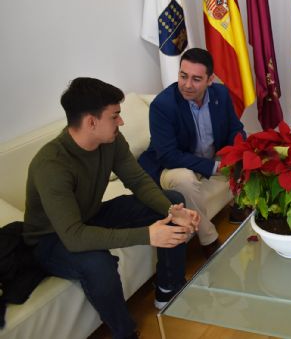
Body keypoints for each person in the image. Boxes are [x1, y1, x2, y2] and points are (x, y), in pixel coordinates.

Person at [23, 77, 200, 339]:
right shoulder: (51, 165)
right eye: (115, 116)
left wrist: (172, 211)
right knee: (98, 264)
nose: (121, 122)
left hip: (91, 215)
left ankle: (168, 289)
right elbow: (73, 236)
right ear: (91, 122)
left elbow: (139, 181)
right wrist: (148, 235)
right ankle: (125, 333)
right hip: (52, 238)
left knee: (171, 199)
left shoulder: (111, 140)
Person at [138, 48, 246, 258]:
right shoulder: (163, 105)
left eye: (196, 79)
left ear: (210, 79)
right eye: (183, 76)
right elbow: (168, 154)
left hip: (208, 155)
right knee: (185, 180)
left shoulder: (221, 94)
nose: (187, 85)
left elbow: (235, 129)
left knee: (247, 154)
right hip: (171, 165)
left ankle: (239, 206)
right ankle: (209, 241)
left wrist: (239, 153)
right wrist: (214, 167)